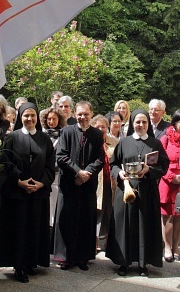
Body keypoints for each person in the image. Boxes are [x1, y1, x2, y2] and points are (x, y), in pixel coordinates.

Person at [106, 109, 169, 277]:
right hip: (125, 190)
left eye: (144, 122)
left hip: (147, 191)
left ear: (148, 124)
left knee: (144, 225)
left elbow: (164, 166)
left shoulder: (155, 143)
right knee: (125, 225)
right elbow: (113, 164)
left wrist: (149, 169)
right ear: (132, 124)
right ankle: (123, 262)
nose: (141, 125)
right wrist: (119, 173)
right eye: (137, 122)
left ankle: (143, 263)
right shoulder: (124, 142)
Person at [0, 103, 55, 283]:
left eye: (32, 116)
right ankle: (18, 265)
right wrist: (19, 182)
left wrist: (41, 183)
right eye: (26, 116)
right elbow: (5, 163)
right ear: (20, 117)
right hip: (17, 193)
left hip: (37, 193)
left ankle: (32, 261)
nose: (29, 119)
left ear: (37, 118)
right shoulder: (11, 138)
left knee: (35, 228)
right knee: (19, 229)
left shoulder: (44, 139)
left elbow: (50, 165)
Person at [52, 101, 104, 270]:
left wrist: (86, 173)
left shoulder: (97, 134)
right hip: (69, 184)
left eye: (86, 114)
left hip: (87, 185)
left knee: (85, 220)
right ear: (75, 114)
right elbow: (61, 156)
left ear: (91, 114)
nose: (83, 117)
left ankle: (83, 257)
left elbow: (100, 158)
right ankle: (66, 258)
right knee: (67, 220)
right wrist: (77, 172)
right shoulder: (66, 132)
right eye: (80, 114)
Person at [159, 109, 180, 262]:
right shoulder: (166, 139)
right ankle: (167, 246)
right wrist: (171, 177)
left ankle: (175, 246)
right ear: (174, 122)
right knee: (167, 216)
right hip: (167, 181)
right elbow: (159, 162)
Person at [91, 115, 119, 252]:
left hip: (111, 182)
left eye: (104, 126)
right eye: (98, 127)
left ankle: (109, 243)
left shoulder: (115, 141)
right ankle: (93, 243)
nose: (101, 129)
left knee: (110, 212)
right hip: (96, 182)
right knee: (96, 213)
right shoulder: (91, 140)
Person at [41, 106, 66, 227]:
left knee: (56, 203)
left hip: (57, 175)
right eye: (49, 119)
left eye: (54, 119)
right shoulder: (41, 135)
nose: (51, 122)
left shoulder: (63, 135)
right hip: (44, 175)